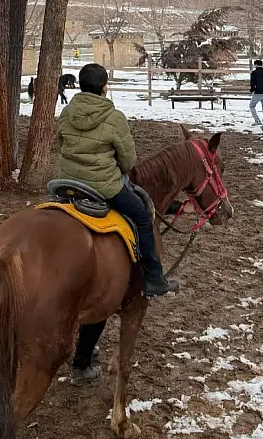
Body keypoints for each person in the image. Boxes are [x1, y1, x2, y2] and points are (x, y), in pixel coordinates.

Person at [57, 63, 180, 383]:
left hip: (68, 184)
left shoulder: (67, 113)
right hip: (104, 187)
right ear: (104, 87)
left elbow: (61, 143)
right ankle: (154, 278)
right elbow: (128, 162)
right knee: (142, 213)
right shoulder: (114, 118)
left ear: (81, 86)